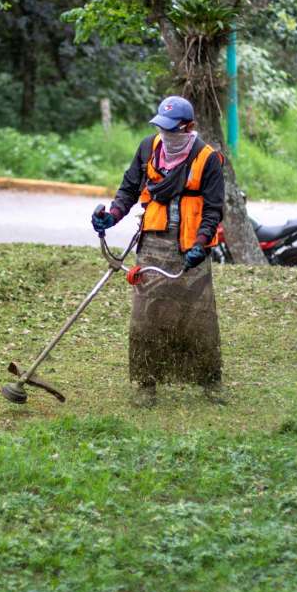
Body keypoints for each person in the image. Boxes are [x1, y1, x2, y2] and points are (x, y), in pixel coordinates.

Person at [90, 95, 225, 402]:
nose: (166, 135)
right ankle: (146, 384)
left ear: (188, 127)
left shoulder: (207, 159)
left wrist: (201, 244)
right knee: (146, 317)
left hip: (192, 248)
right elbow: (128, 189)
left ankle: (210, 382)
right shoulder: (148, 148)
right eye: (161, 128)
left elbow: (214, 209)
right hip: (152, 244)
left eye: (172, 130)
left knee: (198, 318)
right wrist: (111, 216)